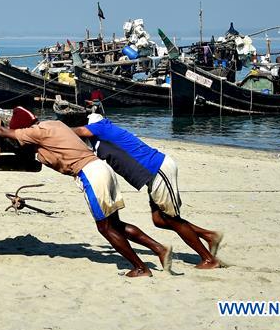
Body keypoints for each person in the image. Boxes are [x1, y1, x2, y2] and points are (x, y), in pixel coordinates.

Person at [0, 106, 171, 278]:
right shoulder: (56, 125)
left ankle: (140, 267)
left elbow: (2, 133)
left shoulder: (34, 132)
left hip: (90, 175)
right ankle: (159, 249)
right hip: (102, 168)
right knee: (115, 224)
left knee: (105, 228)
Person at [62, 109, 222, 269]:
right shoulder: (96, 135)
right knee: (159, 220)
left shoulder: (99, 125)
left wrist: (59, 129)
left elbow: (81, 131)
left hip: (158, 169)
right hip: (153, 174)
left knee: (172, 219)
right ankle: (209, 236)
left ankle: (209, 259)